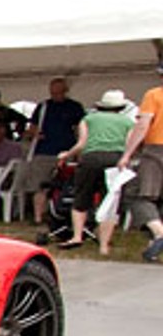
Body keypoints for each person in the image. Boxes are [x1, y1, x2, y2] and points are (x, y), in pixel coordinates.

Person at [60, 89, 136, 253]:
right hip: (115, 161)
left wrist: (67, 155)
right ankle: (103, 245)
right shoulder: (128, 123)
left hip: (90, 159)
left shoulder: (88, 119)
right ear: (120, 107)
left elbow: (81, 144)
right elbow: (131, 146)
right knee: (109, 202)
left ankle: (77, 236)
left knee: (81, 197)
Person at [21, 77, 85, 226]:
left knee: (66, 186)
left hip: (66, 151)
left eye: (59, 92)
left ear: (65, 91)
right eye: (53, 92)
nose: (56, 95)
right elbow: (32, 127)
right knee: (39, 186)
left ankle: (62, 215)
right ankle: (38, 217)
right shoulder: (43, 107)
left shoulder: (74, 107)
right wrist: (35, 133)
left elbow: (80, 130)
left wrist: (78, 151)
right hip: (43, 151)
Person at [118, 69, 163, 262]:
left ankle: (159, 234)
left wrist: (127, 153)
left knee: (137, 194)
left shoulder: (154, 95)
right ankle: (152, 244)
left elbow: (143, 125)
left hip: (157, 149)